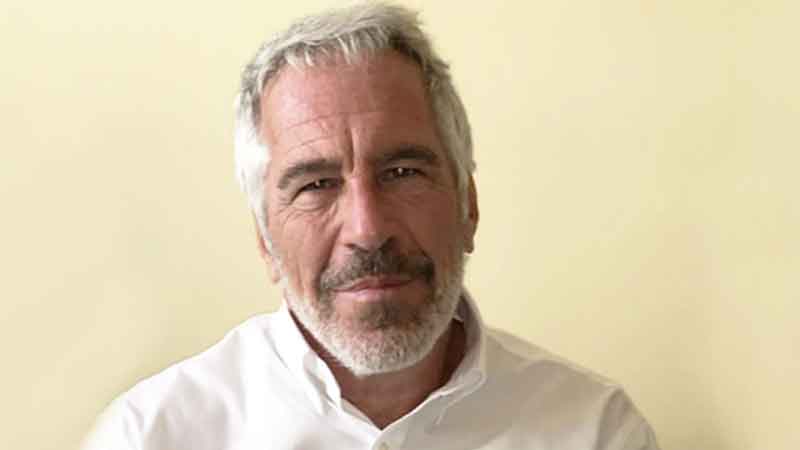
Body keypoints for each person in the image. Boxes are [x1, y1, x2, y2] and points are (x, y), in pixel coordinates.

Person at [82, 3, 659, 449]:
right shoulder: (151, 435)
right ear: (264, 237)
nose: (367, 229)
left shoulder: (595, 432)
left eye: (403, 172)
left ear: (468, 205)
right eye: (315, 185)